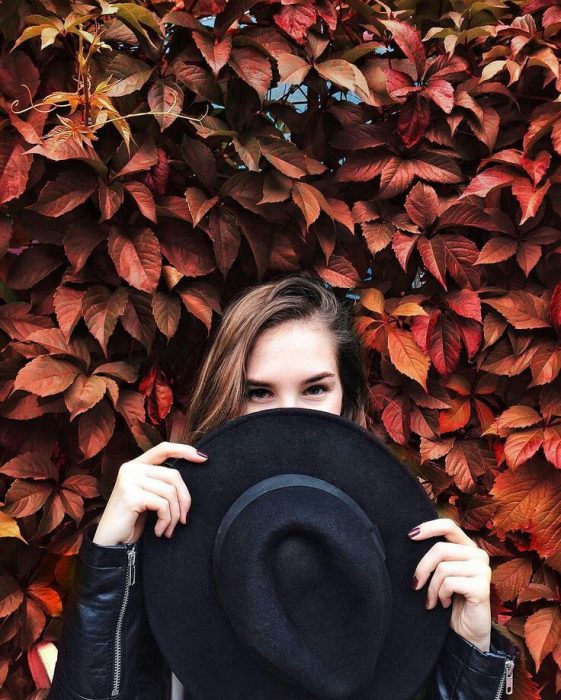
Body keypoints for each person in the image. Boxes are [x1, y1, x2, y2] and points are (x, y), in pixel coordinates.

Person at [48, 272, 519, 700]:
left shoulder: (411, 555)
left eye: (315, 389)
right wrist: (110, 562)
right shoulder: (168, 542)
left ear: (349, 400)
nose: (288, 416)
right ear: (228, 399)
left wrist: (471, 654)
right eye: (259, 392)